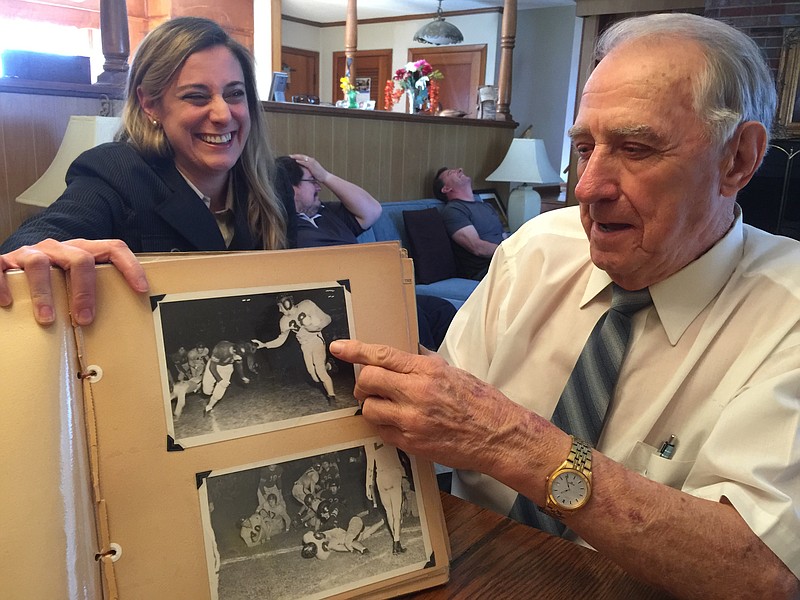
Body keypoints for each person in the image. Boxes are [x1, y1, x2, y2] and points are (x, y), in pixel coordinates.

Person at [328, 13, 800, 599]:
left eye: (635, 147)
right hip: (474, 570)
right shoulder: (537, 250)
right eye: (584, 147)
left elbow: (763, 573)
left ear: (738, 160)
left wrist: (509, 439)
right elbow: (442, 425)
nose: (588, 186)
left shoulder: (789, 313)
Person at [0, 16, 295, 327]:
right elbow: (39, 238)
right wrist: (31, 252)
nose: (223, 114)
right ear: (150, 104)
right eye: (196, 96)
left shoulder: (272, 181)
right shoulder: (116, 171)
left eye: (234, 93)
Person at [276, 154, 456, 350]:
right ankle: (421, 373)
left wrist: (325, 175)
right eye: (313, 182)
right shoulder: (280, 226)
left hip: (373, 289)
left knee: (442, 310)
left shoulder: (328, 213)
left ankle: (450, 370)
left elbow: (373, 210)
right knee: (409, 314)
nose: (319, 187)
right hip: (340, 296)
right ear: (291, 188)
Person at [251, 294, 336, 404]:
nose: (280, 310)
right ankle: (328, 365)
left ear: (287, 303)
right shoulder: (284, 321)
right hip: (305, 346)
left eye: (280, 306)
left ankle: (331, 396)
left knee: (320, 371)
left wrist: (316, 326)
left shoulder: (307, 305)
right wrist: (264, 344)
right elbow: (281, 340)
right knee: (313, 375)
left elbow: (327, 319)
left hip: (316, 339)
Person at [432, 167, 507, 280]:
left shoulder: (486, 206)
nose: (460, 170)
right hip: (487, 270)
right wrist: (511, 252)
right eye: (452, 172)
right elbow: (477, 247)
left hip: (505, 261)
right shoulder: (454, 210)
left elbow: (504, 236)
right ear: (446, 188)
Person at [364, 440, 407, 555]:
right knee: (396, 513)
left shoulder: (367, 441)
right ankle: (396, 542)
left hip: (381, 477)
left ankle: (396, 542)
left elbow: (370, 464)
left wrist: (368, 485)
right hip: (392, 472)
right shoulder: (388, 434)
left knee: (388, 512)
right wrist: (404, 474)